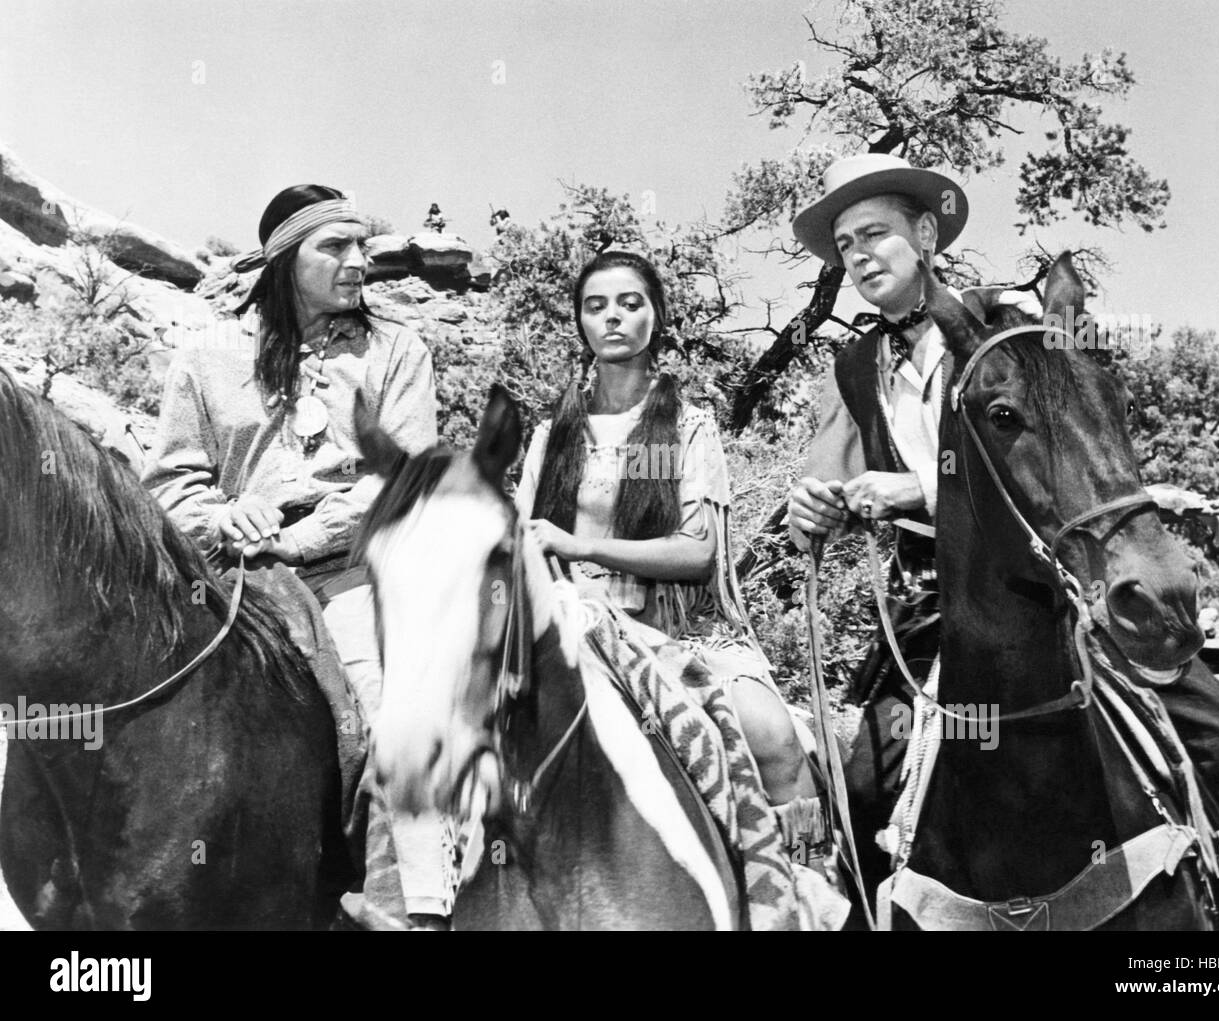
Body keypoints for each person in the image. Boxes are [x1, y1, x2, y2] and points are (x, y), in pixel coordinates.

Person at [787, 152, 1219, 927]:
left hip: (1059, 582)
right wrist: (813, 509)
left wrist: (920, 488)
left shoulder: (1006, 323)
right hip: (937, 613)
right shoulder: (855, 365)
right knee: (861, 779)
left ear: (925, 233)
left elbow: (1064, 440)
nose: (859, 255)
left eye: (877, 233)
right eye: (846, 243)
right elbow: (822, 475)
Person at [143, 184, 456, 930]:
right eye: (336, 247)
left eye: (362, 246)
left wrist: (300, 536)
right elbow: (168, 486)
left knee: (386, 711)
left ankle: (417, 906)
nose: (360, 262)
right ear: (285, 260)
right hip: (232, 577)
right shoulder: (209, 354)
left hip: (352, 571)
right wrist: (225, 513)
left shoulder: (396, 351)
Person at [515, 250, 824, 835]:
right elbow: (520, 543)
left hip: (675, 630)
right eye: (595, 306)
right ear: (579, 322)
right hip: (569, 629)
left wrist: (582, 548)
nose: (612, 318)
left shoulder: (687, 427)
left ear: (656, 317)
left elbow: (697, 553)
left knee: (774, 737)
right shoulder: (548, 438)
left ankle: (809, 888)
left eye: (630, 304)